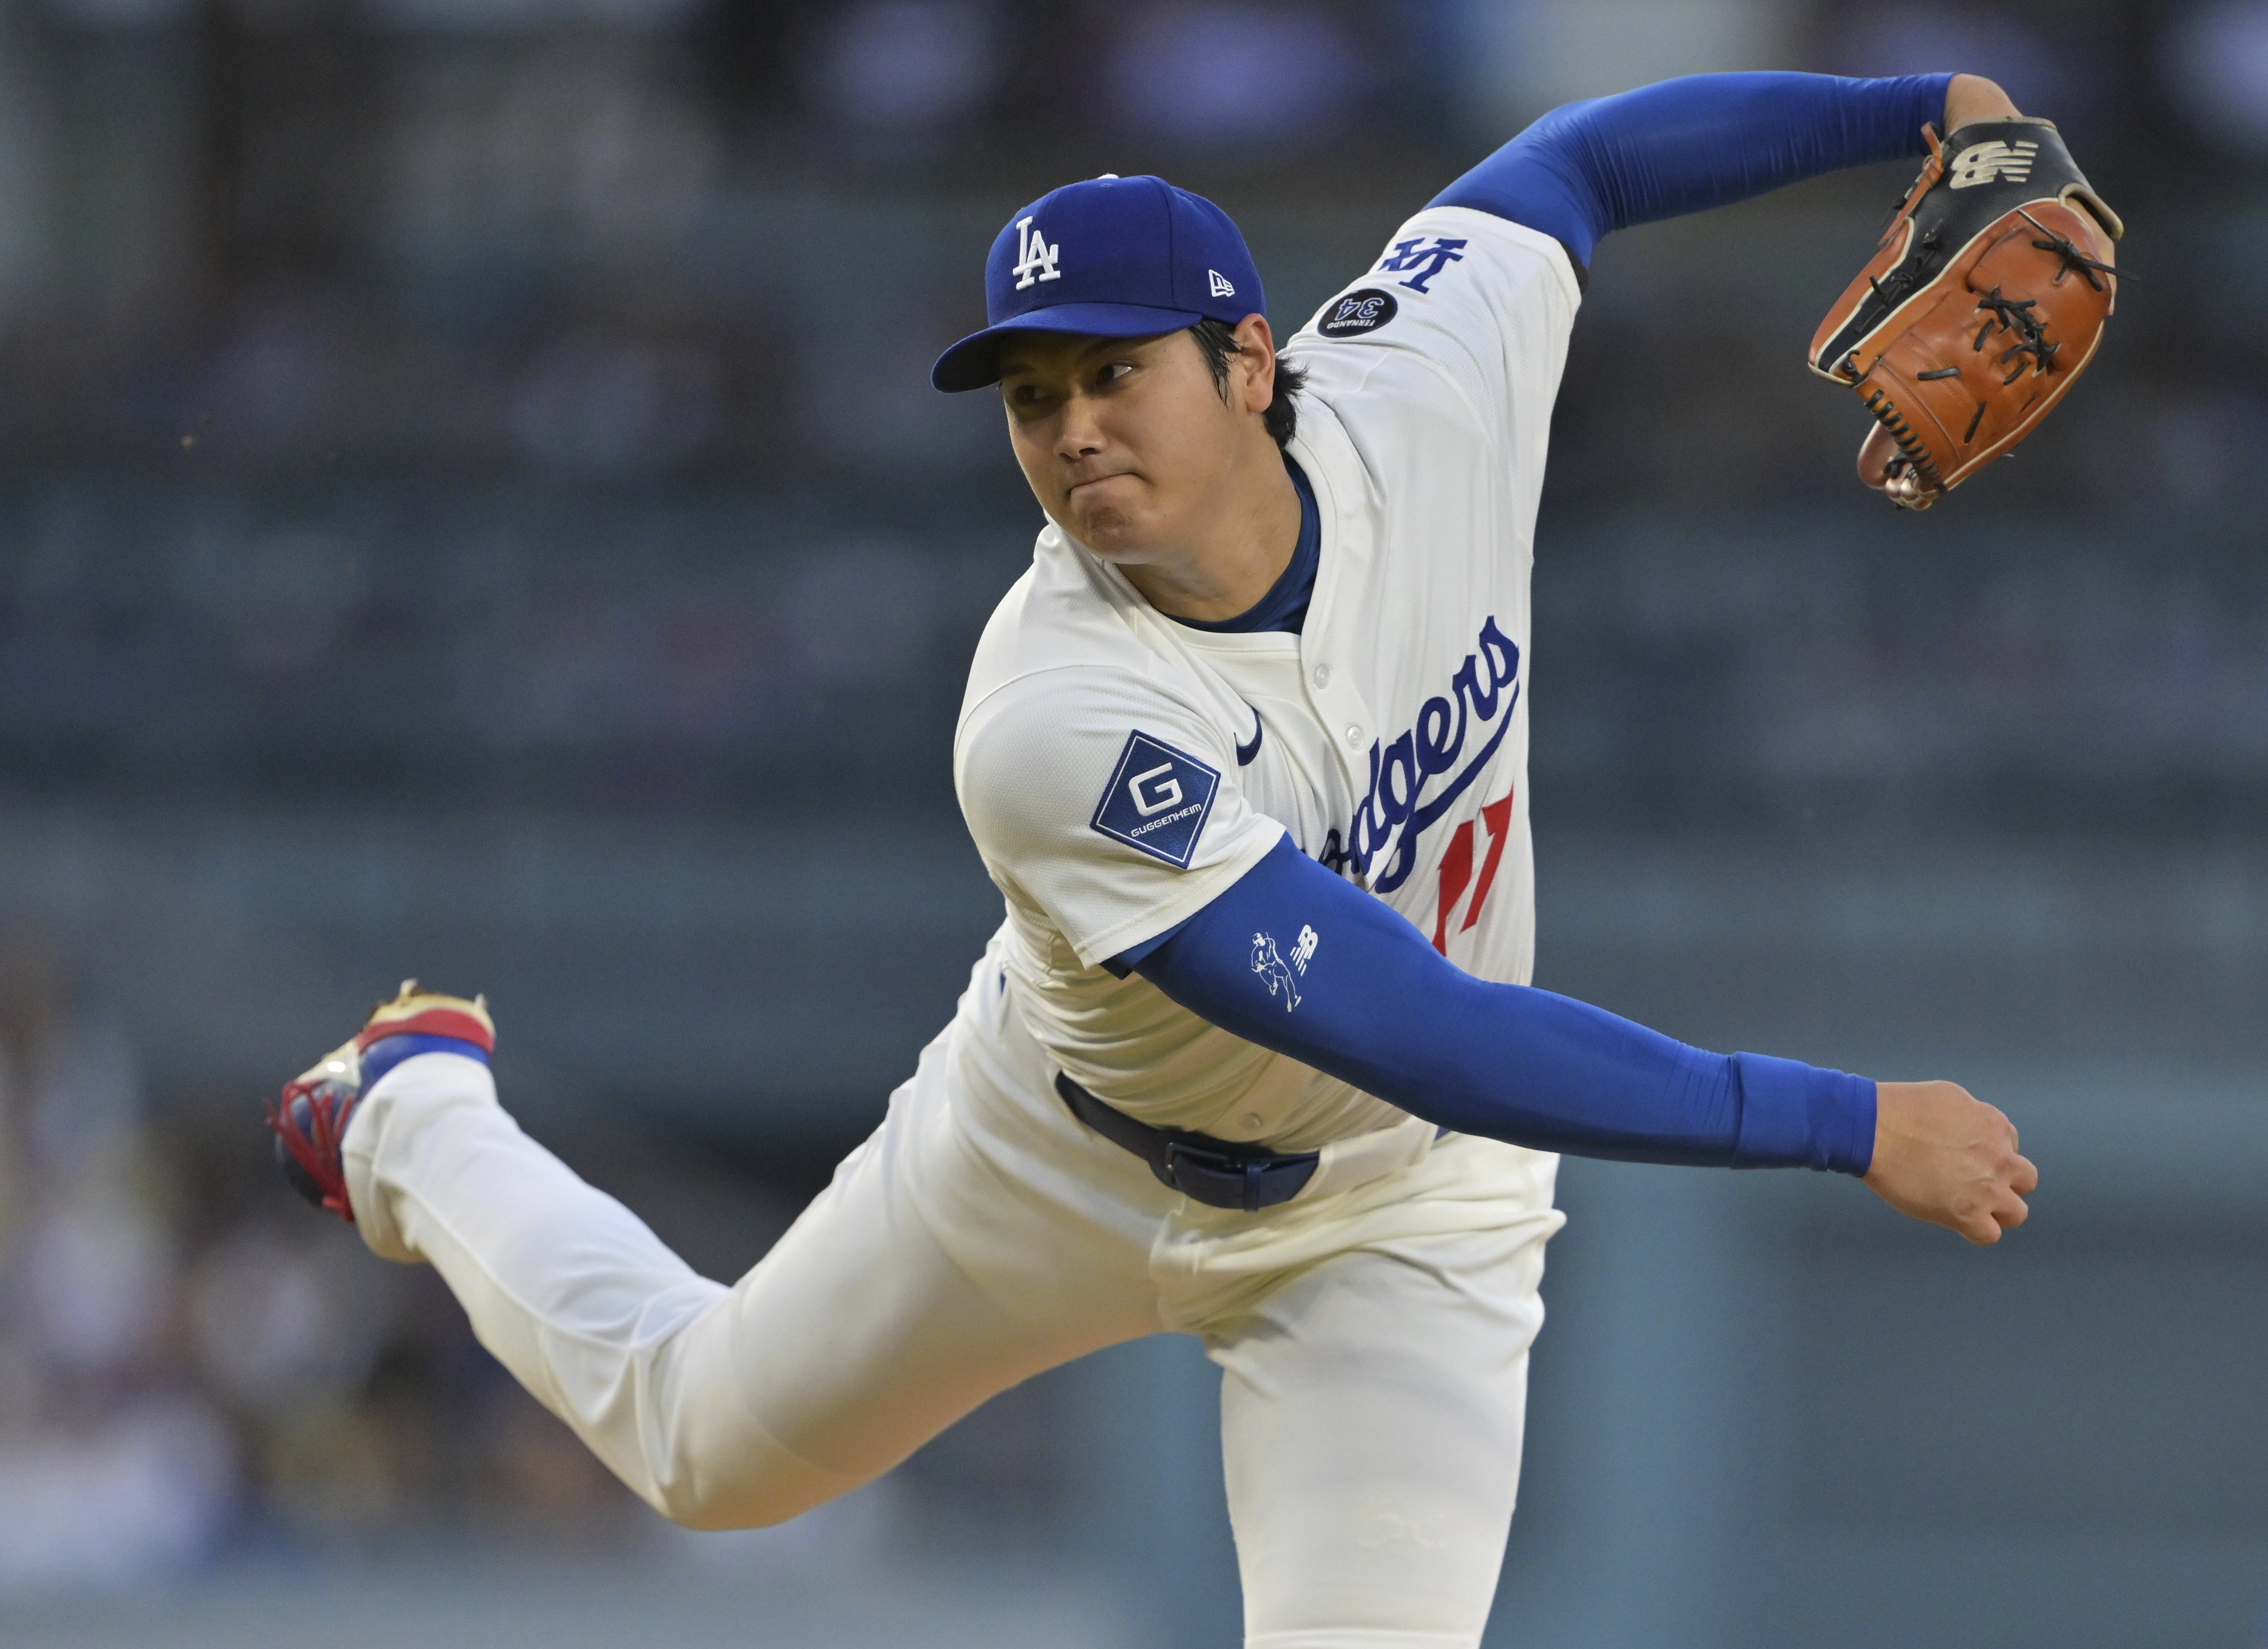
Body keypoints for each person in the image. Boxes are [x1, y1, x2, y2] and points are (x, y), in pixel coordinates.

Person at [270, 71, 2076, 1645]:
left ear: (1246, 359)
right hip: (1054, 1157)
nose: (1071, 432)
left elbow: (1581, 159)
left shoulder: (1423, 385)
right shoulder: (1051, 718)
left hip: (1392, 1214)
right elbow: (1419, 1020)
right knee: (702, 1448)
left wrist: (1915, 105)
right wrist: (1836, 1118)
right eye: (1030, 396)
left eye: (1114, 375)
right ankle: (416, 1112)